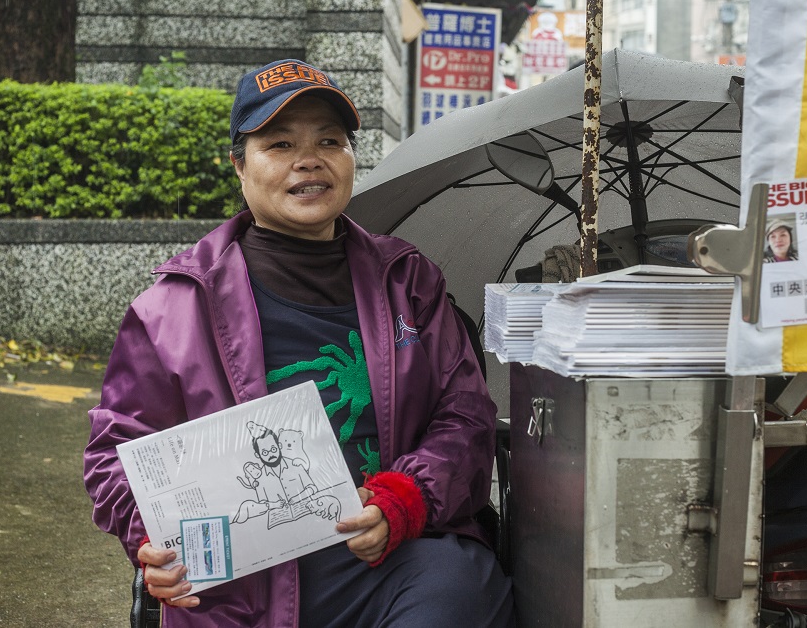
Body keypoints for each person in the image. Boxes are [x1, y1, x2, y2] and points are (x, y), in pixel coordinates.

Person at [84, 59, 514, 627]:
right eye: (280, 143)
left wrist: (405, 498)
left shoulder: (409, 282)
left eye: (329, 141)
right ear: (239, 165)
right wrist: (151, 537)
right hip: (239, 584)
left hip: (392, 557)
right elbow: (116, 451)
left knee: (460, 587)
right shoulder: (172, 310)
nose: (308, 160)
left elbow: (466, 414)